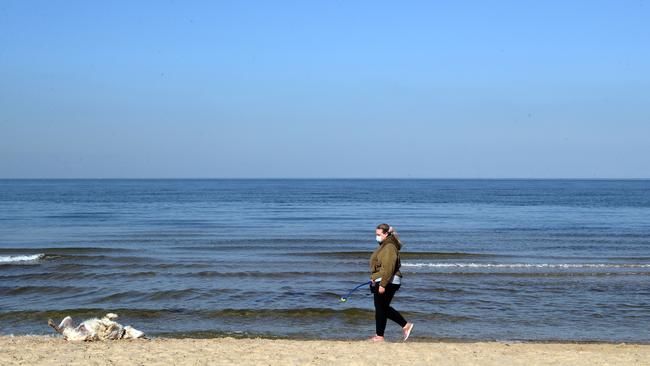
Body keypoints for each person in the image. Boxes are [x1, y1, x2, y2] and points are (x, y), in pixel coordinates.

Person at [369, 223, 414, 342]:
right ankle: (379, 336)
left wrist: (383, 284)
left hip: (389, 281)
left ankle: (405, 325)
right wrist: (374, 277)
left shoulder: (389, 246)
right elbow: (380, 266)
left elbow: (389, 267)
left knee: (382, 307)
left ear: (385, 234)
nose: (376, 237)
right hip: (384, 279)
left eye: (378, 234)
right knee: (380, 308)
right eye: (376, 234)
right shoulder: (385, 245)